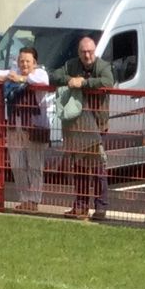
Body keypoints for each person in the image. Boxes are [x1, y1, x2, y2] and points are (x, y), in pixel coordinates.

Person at [53, 35, 114, 221]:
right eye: (83, 52)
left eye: (90, 52)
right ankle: (80, 207)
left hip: (96, 125)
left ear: (94, 51)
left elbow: (108, 81)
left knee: (97, 168)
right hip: (77, 126)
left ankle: (101, 208)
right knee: (79, 167)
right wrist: (70, 79)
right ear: (78, 52)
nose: (87, 55)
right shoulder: (71, 64)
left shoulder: (102, 66)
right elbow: (54, 76)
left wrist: (84, 83)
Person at [0, 44, 50, 212]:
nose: (24, 65)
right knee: (17, 165)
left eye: (28, 62)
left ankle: (34, 201)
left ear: (35, 63)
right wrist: (8, 76)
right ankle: (24, 199)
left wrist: (22, 79)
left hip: (35, 128)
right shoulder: (13, 72)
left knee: (35, 166)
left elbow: (42, 81)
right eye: (21, 61)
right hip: (14, 127)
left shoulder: (40, 73)